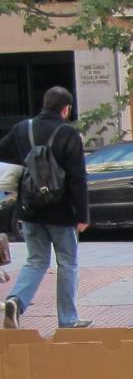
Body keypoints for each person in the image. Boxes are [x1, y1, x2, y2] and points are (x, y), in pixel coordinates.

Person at [0, 86, 90, 328]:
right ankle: (68, 319)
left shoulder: (22, 129)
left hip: (29, 209)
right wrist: (82, 215)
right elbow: (77, 178)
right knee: (67, 262)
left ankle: (16, 301)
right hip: (62, 212)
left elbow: (4, 152)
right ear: (66, 109)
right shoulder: (68, 134)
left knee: (36, 260)